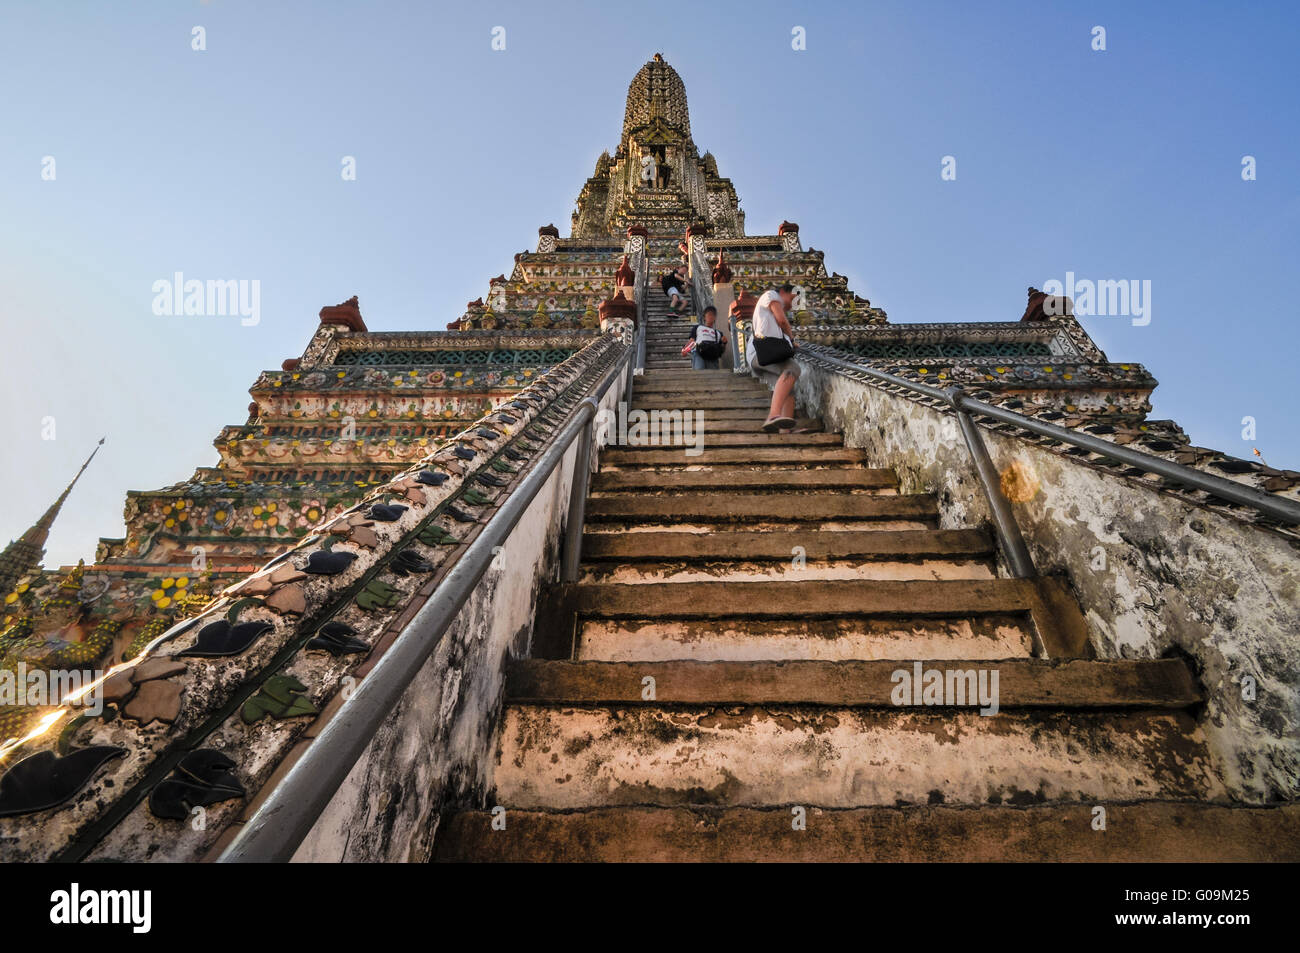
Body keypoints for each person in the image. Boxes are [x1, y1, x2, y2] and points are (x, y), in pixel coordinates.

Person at [746, 284, 800, 433]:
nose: (791, 304)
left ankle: (785, 431)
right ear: (783, 292)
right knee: (793, 369)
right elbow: (782, 320)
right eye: (792, 298)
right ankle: (773, 415)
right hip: (761, 352)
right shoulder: (771, 295)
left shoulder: (772, 317)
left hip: (761, 356)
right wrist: (791, 337)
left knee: (788, 387)